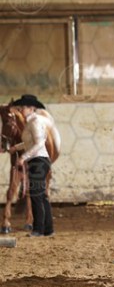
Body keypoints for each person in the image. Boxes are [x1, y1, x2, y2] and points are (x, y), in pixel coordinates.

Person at [9, 94, 60, 237]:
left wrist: (23, 157)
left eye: (23, 107)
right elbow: (29, 143)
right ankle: (48, 229)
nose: (21, 109)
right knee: (41, 195)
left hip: (38, 161)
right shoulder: (30, 122)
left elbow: (39, 143)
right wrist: (16, 148)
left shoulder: (35, 121)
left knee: (36, 196)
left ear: (31, 108)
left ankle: (38, 229)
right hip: (39, 160)